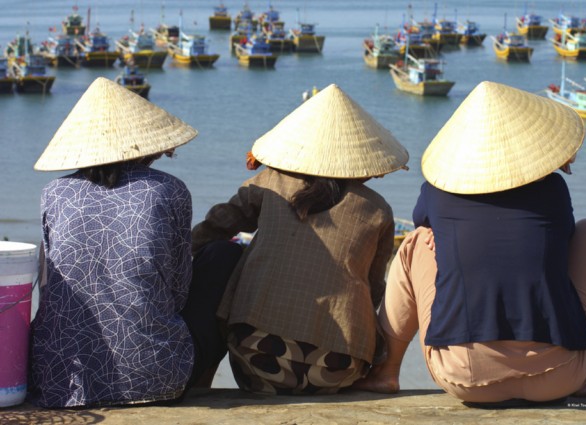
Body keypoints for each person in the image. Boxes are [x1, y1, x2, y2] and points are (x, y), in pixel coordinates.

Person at [354, 81, 586, 403]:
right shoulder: (553, 190)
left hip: (464, 376)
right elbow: (561, 245)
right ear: (531, 144)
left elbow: (424, 223)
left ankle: (386, 372)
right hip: (562, 375)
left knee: (416, 242)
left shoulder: (438, 192)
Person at [29, 77, 241, 408]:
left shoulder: (53, 193)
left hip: (60, 379)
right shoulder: (167, 190)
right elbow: (177, 293)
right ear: (148, 144)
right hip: (154, 379)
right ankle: (199, 382)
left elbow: (49, 284)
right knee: (223, 254)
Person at [191, 83, 409, 395]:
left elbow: (213, 227)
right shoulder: (377, 209)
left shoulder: (271, 182)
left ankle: (201, 378)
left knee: (222, 253)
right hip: (338, 371)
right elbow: (374, 290)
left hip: (256, 362)